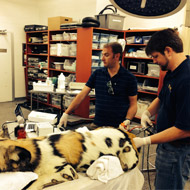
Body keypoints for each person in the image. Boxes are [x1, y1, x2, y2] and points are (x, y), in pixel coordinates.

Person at [133, 28, 190, 190]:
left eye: (155, 56)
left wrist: (146, 141)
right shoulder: (173, 71)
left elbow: (185, 129)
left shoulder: (187, 79)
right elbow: (162, 96)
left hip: (178, 150)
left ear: (168, 51)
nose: (154, 61)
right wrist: (147, 112)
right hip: (166, 143)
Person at [58, 42, 137, 129]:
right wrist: (66, 113)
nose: (102, 58)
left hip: (118, 127)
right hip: (98, 124)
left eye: (106, 55)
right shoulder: (97, 74)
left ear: (117, 56)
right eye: (102, 55)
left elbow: (133, 104)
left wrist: (128, 120)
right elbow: (82, 95)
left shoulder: (129, 78)